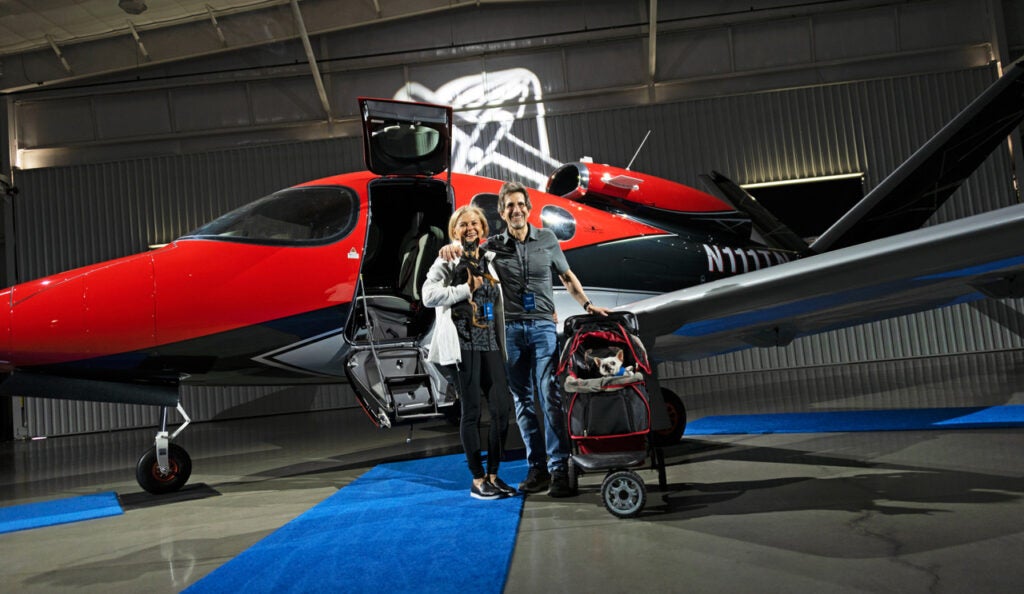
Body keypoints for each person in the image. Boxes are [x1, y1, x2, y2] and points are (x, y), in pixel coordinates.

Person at [441, 181, 610, 497]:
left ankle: (560, 469)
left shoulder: (547, 239)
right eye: (509, 207)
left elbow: (566, 276)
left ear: (529, 209)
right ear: (502, 213)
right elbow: (465, 252)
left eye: (521, 205)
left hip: (544, 326)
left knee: (549, 395)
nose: (516, 210)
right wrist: (449, 247)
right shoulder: (492, 246)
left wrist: (586, 304)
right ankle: (538, 470)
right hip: (510, 331)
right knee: (523, 402)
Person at [422, 205, 516, 500]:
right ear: (454, 231)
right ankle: (477, 480)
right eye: (463, 224)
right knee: (472, 412)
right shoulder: (447, 259)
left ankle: (493, 475)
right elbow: (428, 295)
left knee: (501, 409)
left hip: (489, 343)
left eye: (475, 222)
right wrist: (464, 289)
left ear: (483, 228)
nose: (470, 227)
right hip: (462, 345)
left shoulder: (488, 260)